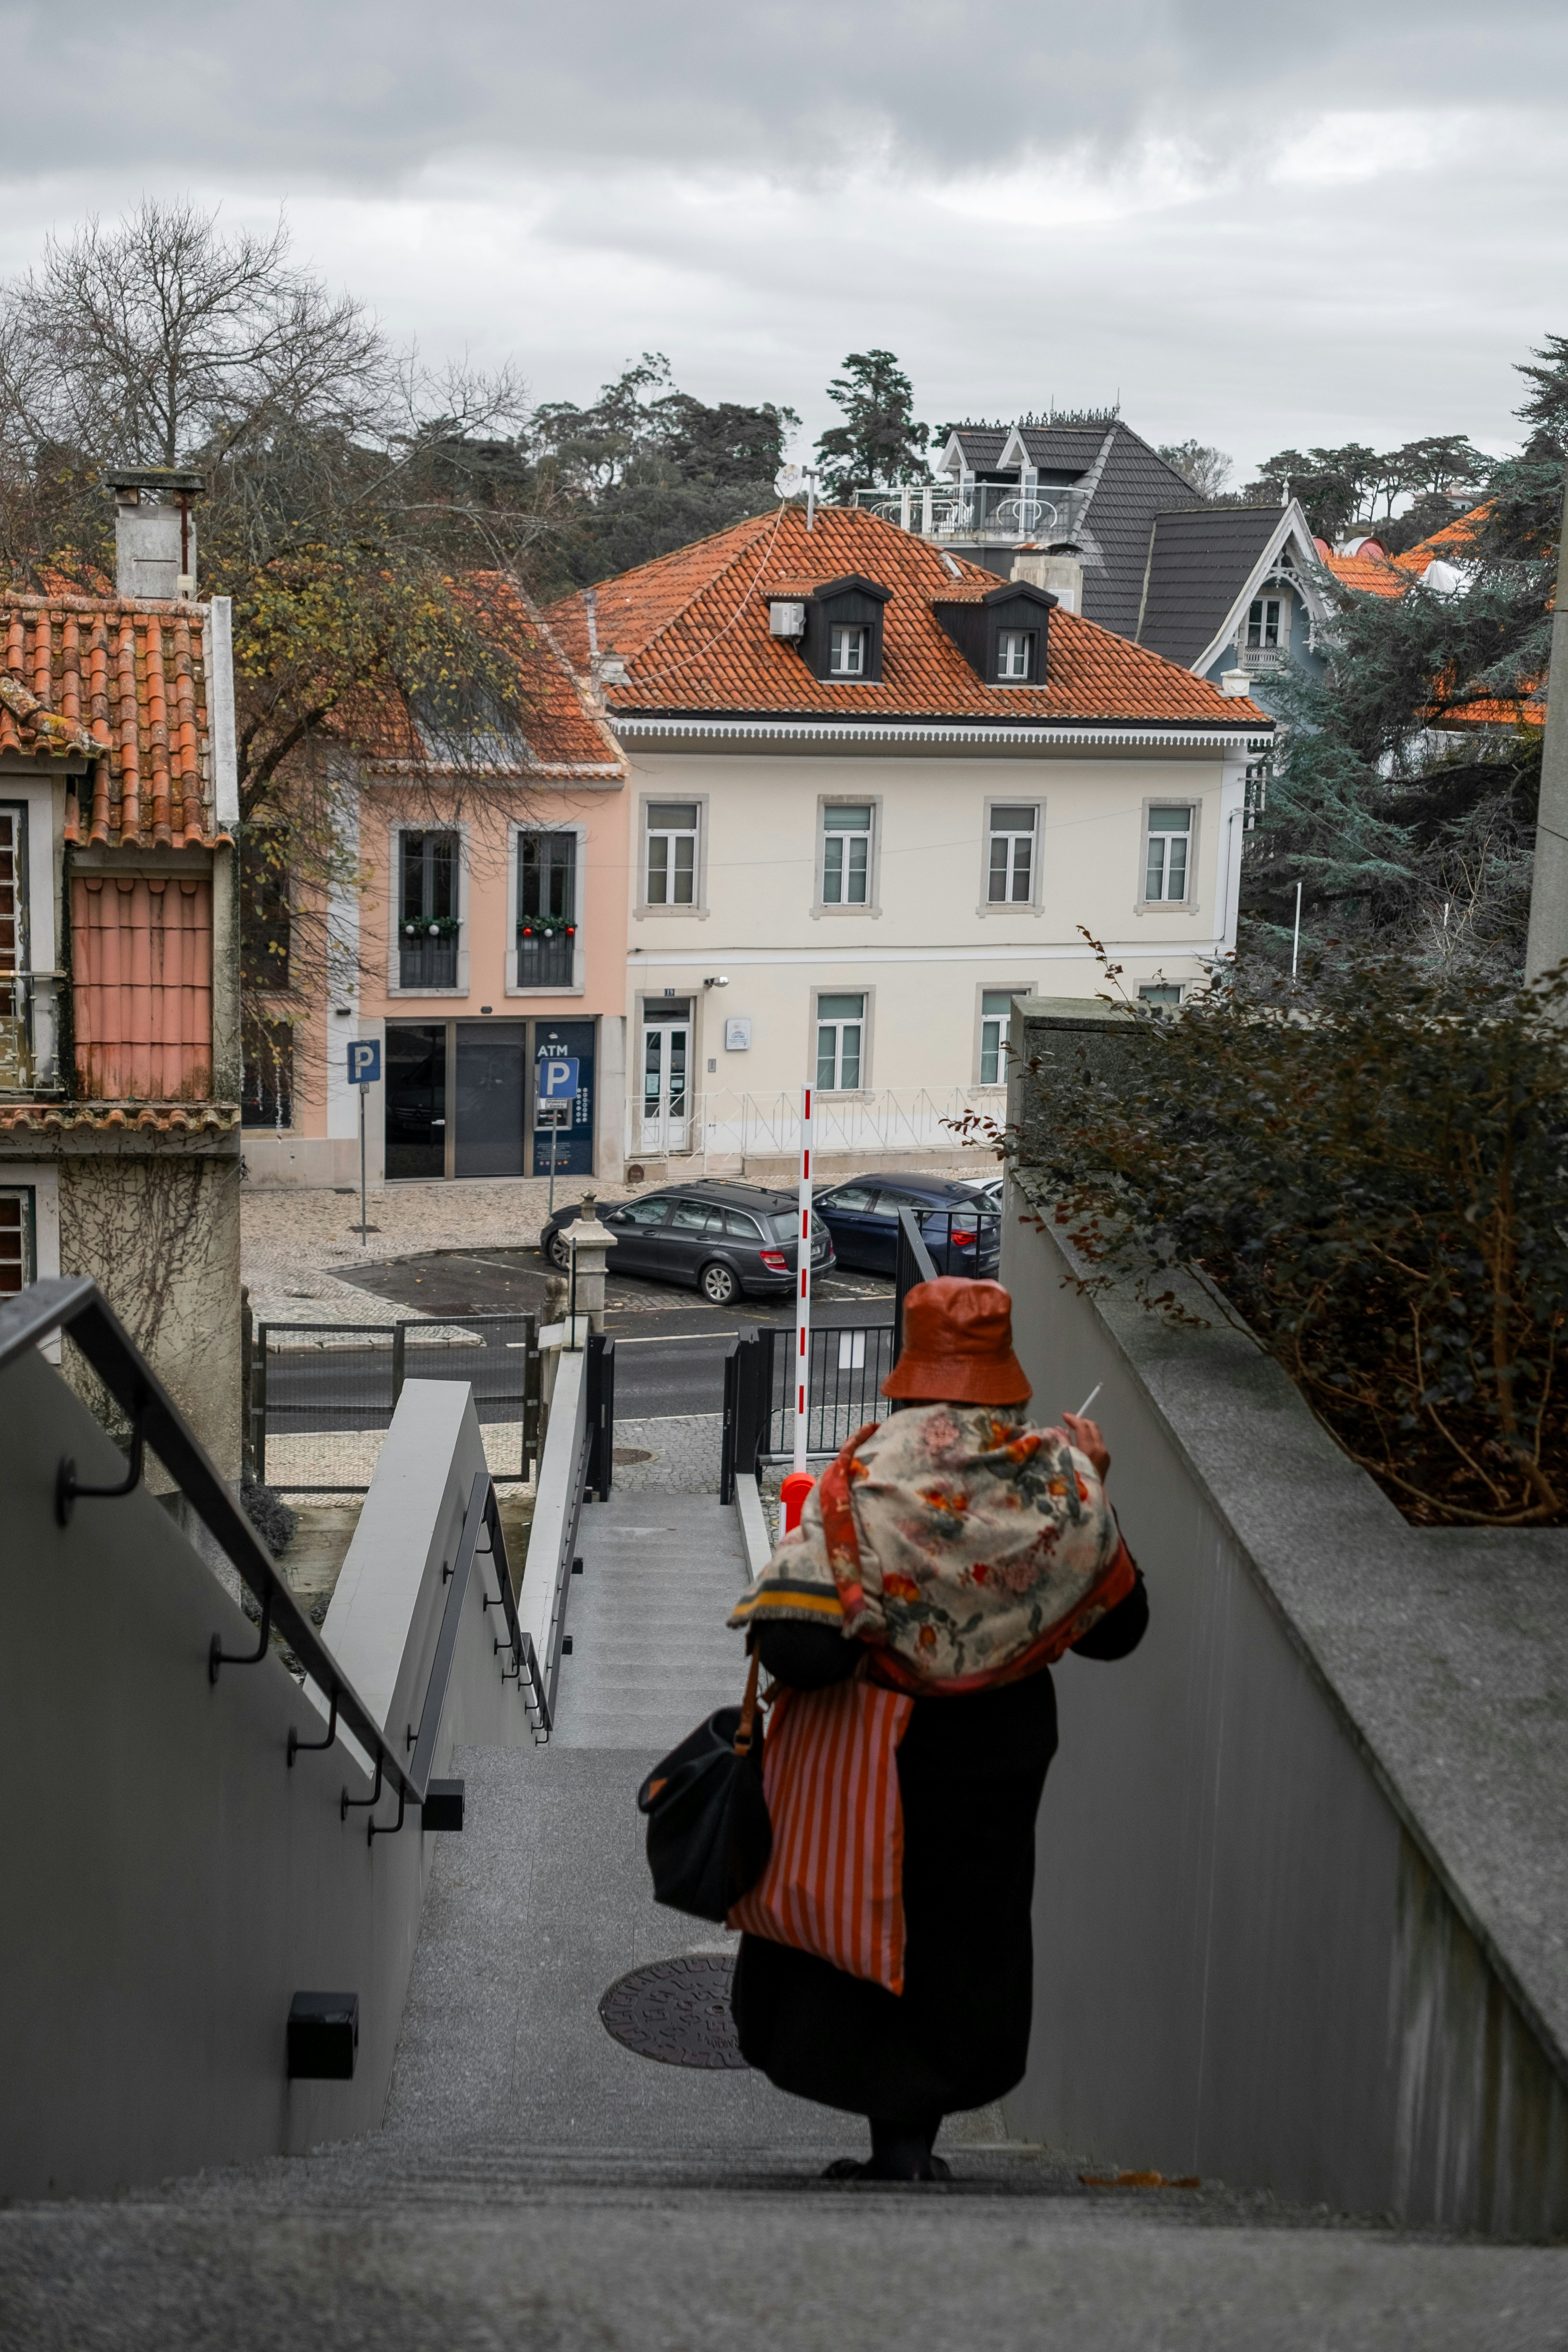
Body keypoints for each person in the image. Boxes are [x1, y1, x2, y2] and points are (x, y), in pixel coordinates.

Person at [726, 1276, 1147, 2182]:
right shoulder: (1059, 1480)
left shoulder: (864, 1477)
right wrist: (1092, 1492)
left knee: (869, 1922)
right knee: (970, 1936)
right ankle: (917, 2148)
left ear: (909, 1373)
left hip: (877, 1751)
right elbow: (1121, 1632)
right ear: (1004, 1376)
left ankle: (891, 2145)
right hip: (1001, 1754)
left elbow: (801, 1651)